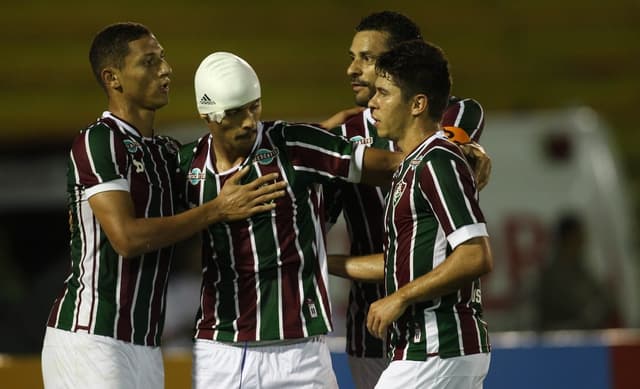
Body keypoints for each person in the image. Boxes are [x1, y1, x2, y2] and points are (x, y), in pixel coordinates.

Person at [41, 22, 287, 389]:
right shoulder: (98, 142)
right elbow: (126, 238)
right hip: (91, 337)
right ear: (113, 78)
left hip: (145, 344)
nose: (166, 69)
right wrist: (217, 210)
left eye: (164, 59)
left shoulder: (165, 152)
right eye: (150, 62)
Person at [174, 51, 402, 389]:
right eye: (235, 113)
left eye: (254, 106)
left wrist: (452, 156)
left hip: (301, 350)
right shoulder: (184, 168)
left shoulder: (294, 144)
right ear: (208, 114)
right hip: (220, 348)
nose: (249, 121)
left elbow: (389, 164)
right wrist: (215, 210)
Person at [323, 11, 489, 388]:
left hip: (433, 332)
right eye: (352, 56)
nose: (353, 69)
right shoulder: (346, 135)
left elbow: (475, 254)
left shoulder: (436, 149)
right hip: (378, 328)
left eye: (367, 59)